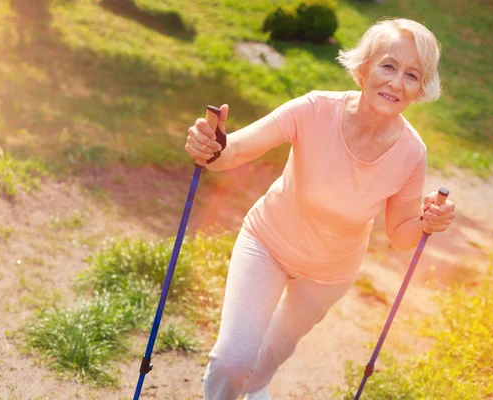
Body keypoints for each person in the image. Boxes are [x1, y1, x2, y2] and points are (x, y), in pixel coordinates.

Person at [184, 18, 456, 400]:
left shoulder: (412, 153)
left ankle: (256, 389)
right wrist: (211, 147)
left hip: (329, 274)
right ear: (364, 68)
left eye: (412, 75)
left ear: (420, 90)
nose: (397, 82)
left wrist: (428, 223)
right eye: (389, 66)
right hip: (268, 243)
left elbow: (400, 235)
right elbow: (235, 150)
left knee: (269, 357)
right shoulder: (313, 110)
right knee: (233, 359)